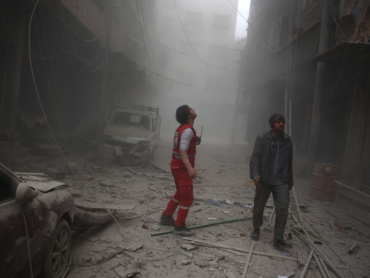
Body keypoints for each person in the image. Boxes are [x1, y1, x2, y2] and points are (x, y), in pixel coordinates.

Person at [249, 113, 294, 247]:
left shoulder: (287, 141)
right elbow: (255, 158)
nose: (281, 124)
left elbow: (289, 162)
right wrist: (256, 175)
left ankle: (278, 238)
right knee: (258, 206)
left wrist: (290, 179)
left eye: (283, 122)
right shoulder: (263, 138)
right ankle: (256, 228)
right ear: (272, 124)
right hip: (264, 179)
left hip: (281, 181)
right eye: (278, 122)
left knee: (283, 209)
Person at [159, 105, 199, 236]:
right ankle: (179, 226)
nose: (193, 109)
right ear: (189, 115)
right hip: (181, 169)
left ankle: (166, 217)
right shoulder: (188, 130)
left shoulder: (182, 129)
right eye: (190, 108)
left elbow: (183, 145)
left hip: (175, 166)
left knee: (180, 194)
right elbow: (183, 150)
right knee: (187, 198)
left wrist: (195, 140)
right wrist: (190, 168)